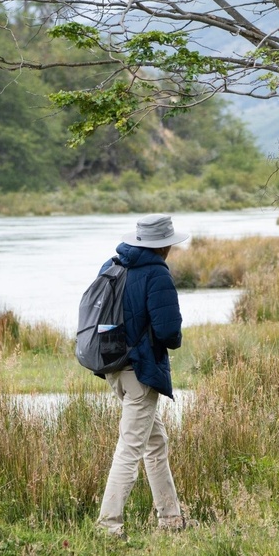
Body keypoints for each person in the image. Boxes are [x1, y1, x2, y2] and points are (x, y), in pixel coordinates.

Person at [95, 213, 190, 538]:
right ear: (164, 246)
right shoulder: (156, 274)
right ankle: (108, 527)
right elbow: (169, 333)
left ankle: (171, 519)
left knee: (154, 442)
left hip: (114, 369)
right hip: (142, 371)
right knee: (130, 447)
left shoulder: (112, 265)